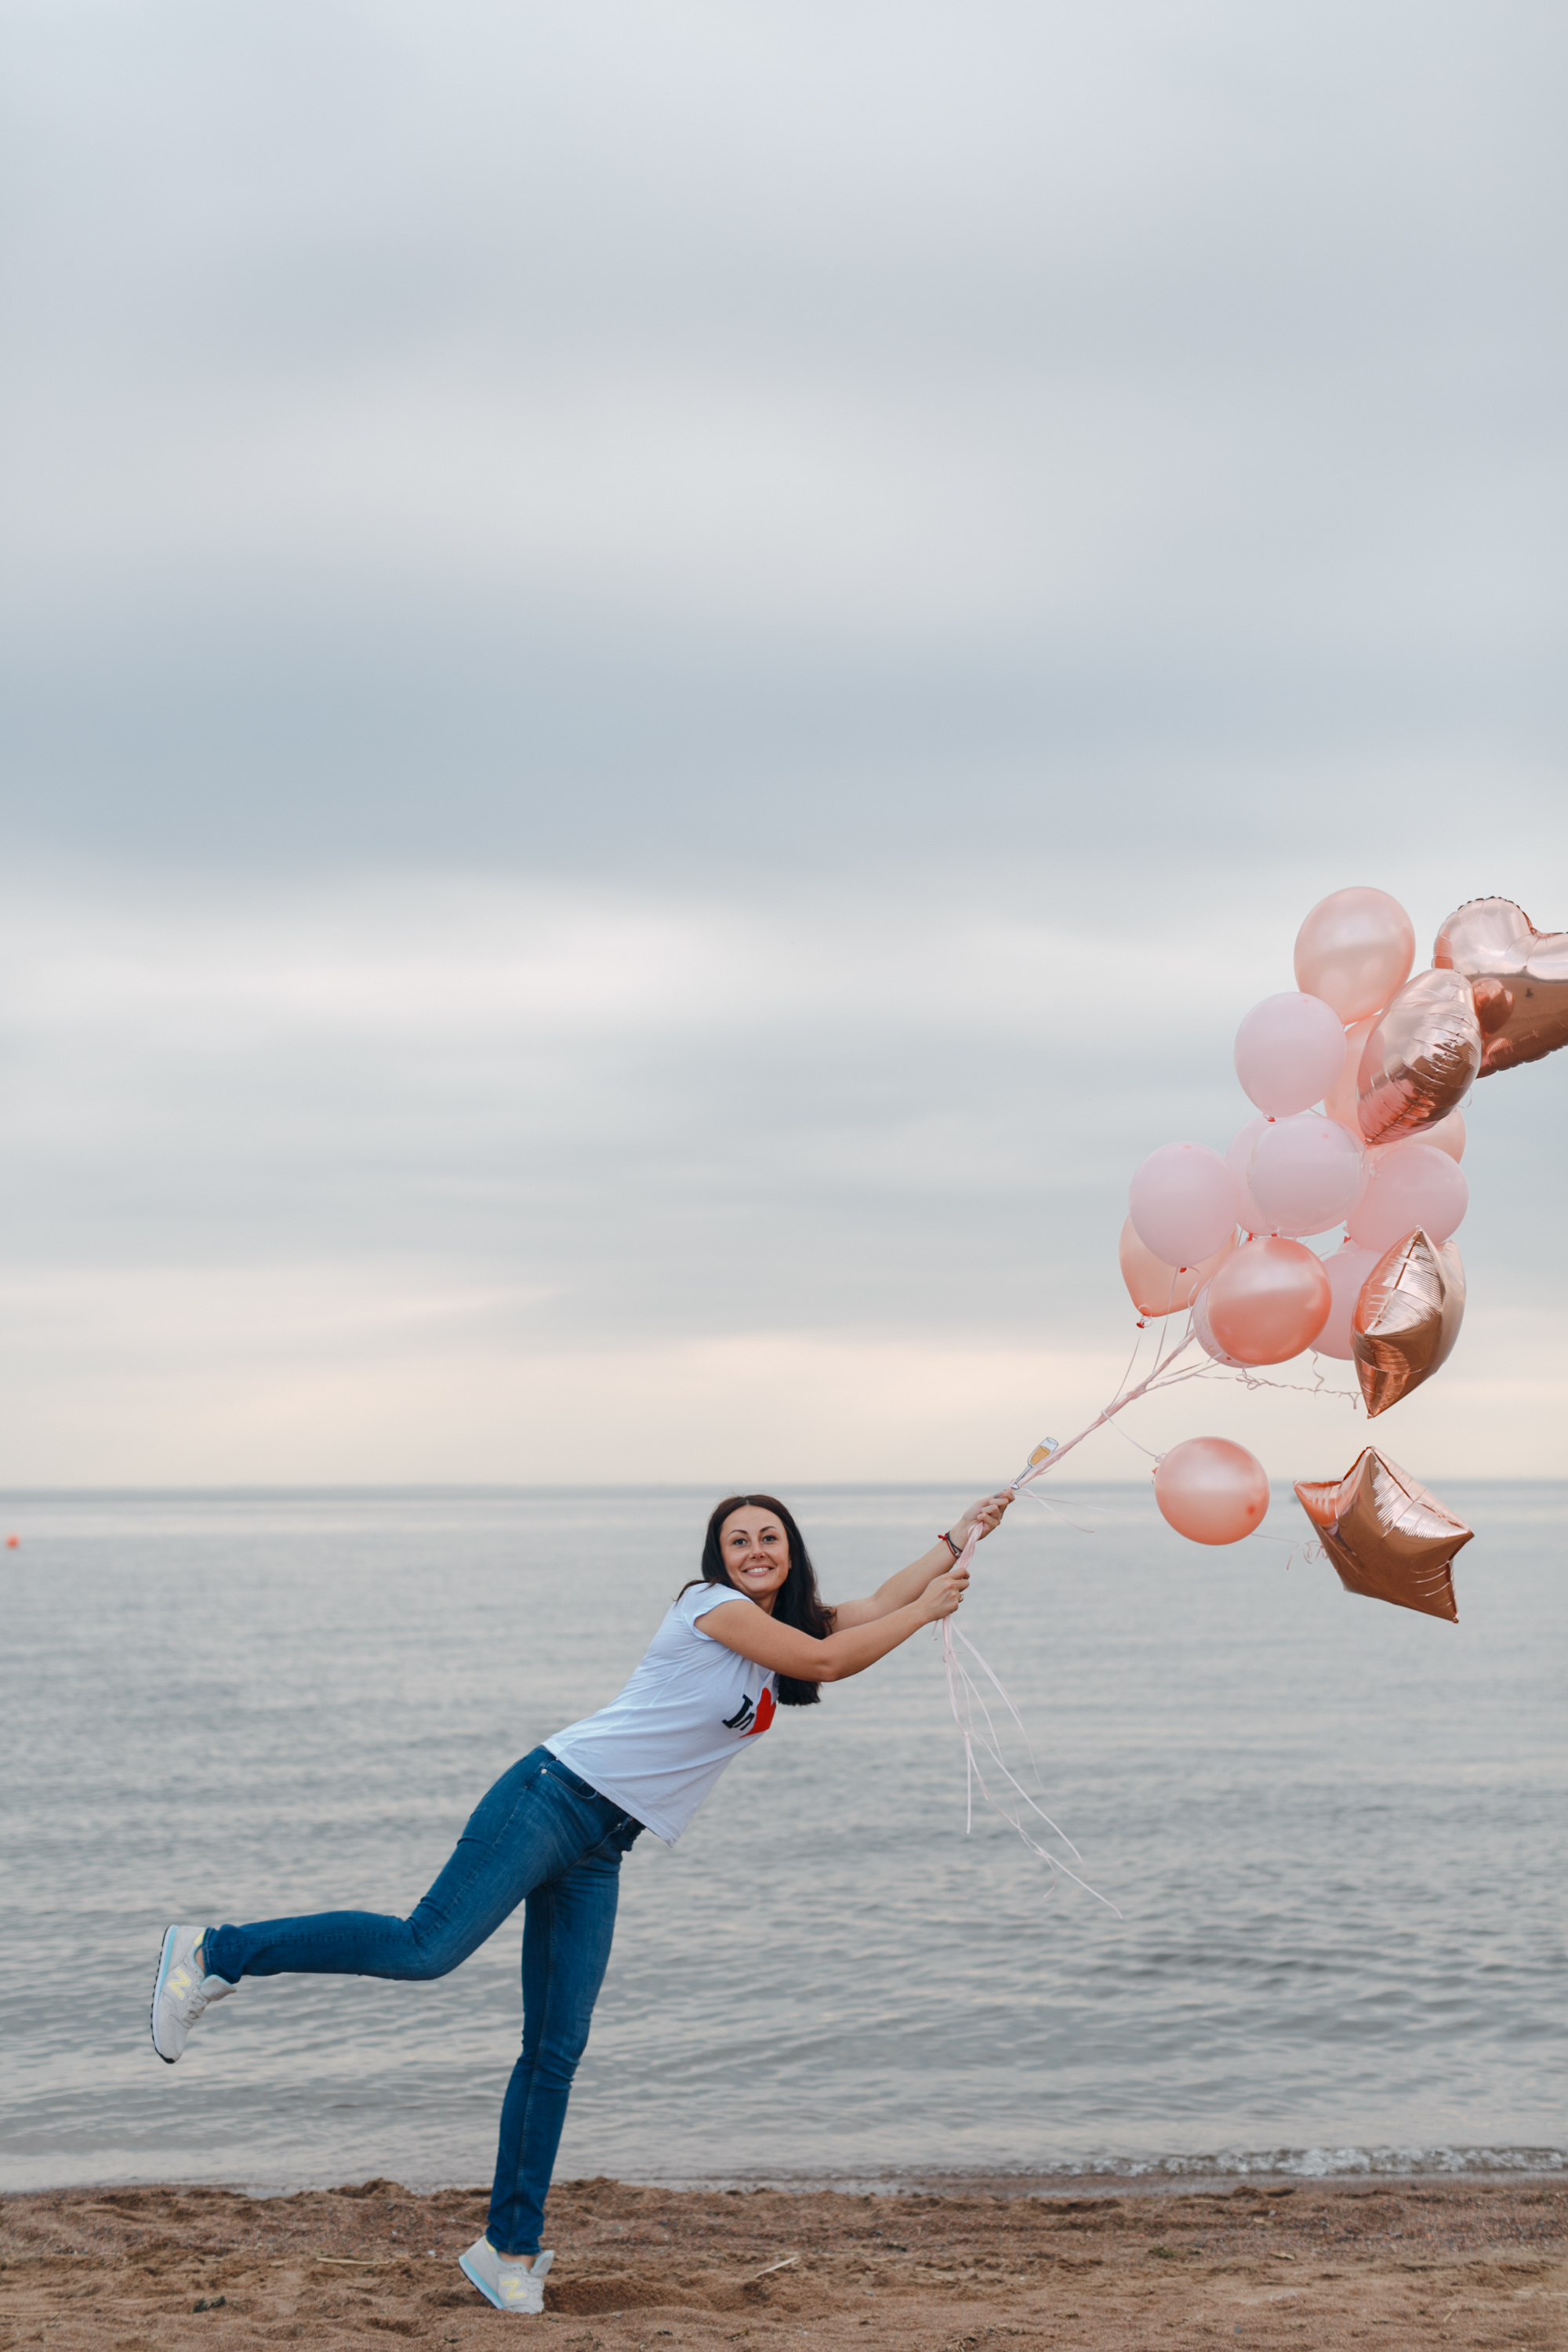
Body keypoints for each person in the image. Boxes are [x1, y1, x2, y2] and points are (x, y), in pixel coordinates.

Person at [149, 1488, 1012, 2314]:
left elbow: (858, 1612)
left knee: (555, 2048)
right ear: (718, 1558)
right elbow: (832, 1659)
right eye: (738, 1539)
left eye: (769, 1538)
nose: (754, 1550)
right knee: (425, 1947)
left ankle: (507, 2253)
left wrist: (954, 1538)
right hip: (550, 1796)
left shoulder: (773, 1631)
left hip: (603, 1842)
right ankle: (211, 1954)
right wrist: (928, 1611)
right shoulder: (708, 1606)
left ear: (790, 1554)